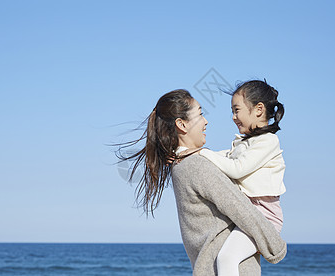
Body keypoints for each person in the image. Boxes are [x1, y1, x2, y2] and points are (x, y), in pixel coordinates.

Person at [116, 89, 286, 275]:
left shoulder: (182, 164)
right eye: (200, 114)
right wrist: (276, 247)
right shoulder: (197, 165)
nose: (206, 122)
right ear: (182, 124)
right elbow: (242, 209)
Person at [191, 80, 286, 276]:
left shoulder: (268, 141)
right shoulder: (246, 142)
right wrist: (194, 153)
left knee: (227, 257)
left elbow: (237, 169)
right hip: (247, 212)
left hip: (265, 215)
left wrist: (202, 153)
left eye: (237, 110)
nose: (233, 117)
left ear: (258, 110)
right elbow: (225, 157)